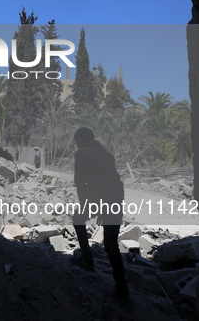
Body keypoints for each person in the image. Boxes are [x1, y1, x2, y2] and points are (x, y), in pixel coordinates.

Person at [71, 127, 129, 300]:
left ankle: (88, 260)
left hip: (98, 197)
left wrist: (84, 204)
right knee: (111, 245)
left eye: (76, 142)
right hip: (116, 197)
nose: (76, 145)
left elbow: (80, 182)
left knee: (77, 219)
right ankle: (122, 290)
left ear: (81, 139)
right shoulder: (106, 153)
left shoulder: (81, 153)